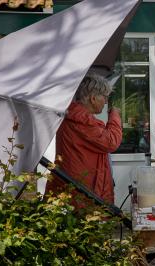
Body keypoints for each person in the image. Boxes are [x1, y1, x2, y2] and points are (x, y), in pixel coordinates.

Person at [45, 74, 122, 208]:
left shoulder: (76, 117)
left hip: (78, 189)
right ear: (93, 98)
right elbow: (111, 141)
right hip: (81, 193)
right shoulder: (82, 120)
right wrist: (115, 115)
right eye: (105, 97)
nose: (105, 102)